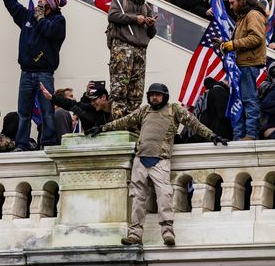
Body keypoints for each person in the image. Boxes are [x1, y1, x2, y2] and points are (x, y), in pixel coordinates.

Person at [86, 83, 228, 246]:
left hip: (160, 160)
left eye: (158, 94)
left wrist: (212, 136)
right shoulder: (144, 110)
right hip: (140, 159)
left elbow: (194, 123)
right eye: (152, 94)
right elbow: (123, 122)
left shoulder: (174, 109)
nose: (154, 97)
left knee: (164, 197)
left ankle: (168, 233)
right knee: (137, 199)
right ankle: (135, 235)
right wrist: (102, 128)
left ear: (165, 96)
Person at [0, 0, 67, 151]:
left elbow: (50, 32)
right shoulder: (28, 16)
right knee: (24, 113)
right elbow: (13, 6)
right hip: (26, 72)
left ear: (51, 5)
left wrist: (41, 18)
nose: (39, 1)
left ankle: (48, 143)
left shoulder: (59, 21)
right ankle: (21, 144)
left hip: (45, 73)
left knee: (47, 112)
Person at [107, 0, 157, 119]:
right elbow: (113, 16)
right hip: (122, 47)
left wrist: (151, 24)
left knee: (136, 91)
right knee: (119, 87)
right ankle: (118, 121)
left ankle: (132, 122)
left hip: (140, 50)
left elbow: (151, 34)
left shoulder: (147, 7)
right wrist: (135, 18)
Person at [220, 0, 267, 141]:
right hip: (240, 65)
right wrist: (225, 45)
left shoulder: (253, 15)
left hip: (248, 65)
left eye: (233, 2)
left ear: (241, 0)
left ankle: (251, 134)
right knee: (238, 101)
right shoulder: (242, 17)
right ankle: (238, 135)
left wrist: (232, 44)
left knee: (248, 99)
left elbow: (256, 38)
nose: (231, 6)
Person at [41, 83, 112, 132]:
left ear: (103, 97)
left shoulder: (119, 108)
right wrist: (52, 97)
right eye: (90, 100)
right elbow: (70, 104)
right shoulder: (89, 109)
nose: (92, 103)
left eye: (94, 100)